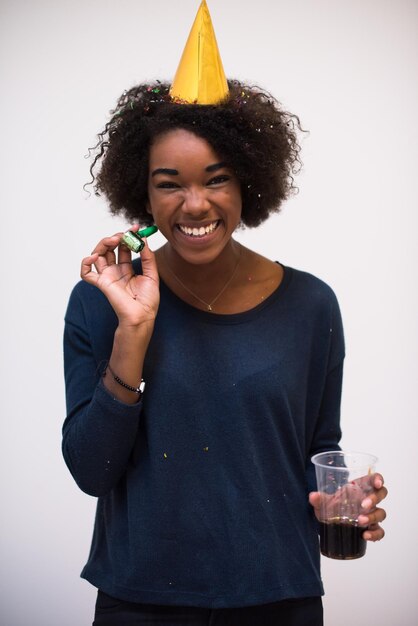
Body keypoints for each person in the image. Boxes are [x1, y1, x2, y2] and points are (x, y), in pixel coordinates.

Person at [62, 4, 387, 625]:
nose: (194, 203)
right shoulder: (101, 301)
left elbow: (318, 450)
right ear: (143, 193)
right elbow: (91, 470)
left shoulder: (311, 304)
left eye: (217, 179)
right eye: (169, 183)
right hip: (142, 601)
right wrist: (134, 331)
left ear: (248, 184)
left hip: (279, 599)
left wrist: (339, 501)